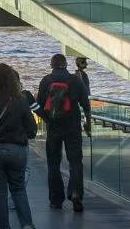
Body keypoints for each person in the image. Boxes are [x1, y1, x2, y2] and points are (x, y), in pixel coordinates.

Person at [0, 64, 37, 229]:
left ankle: (3, 226)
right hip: (17, 150)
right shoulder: (21, 101)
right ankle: (26, 224)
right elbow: (32, 130)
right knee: (18, 188)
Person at [36, 54, 91, 212]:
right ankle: (75, 193)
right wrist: (87, 122)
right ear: (66, 65)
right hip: (73, 126)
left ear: (51, 65)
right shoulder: (75, 80)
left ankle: (56, 199)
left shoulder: (46, 80)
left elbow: (39, 105)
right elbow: (86, 104)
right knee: (75, 161)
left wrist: (47, 119)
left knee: (53, 163)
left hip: (54, 127)